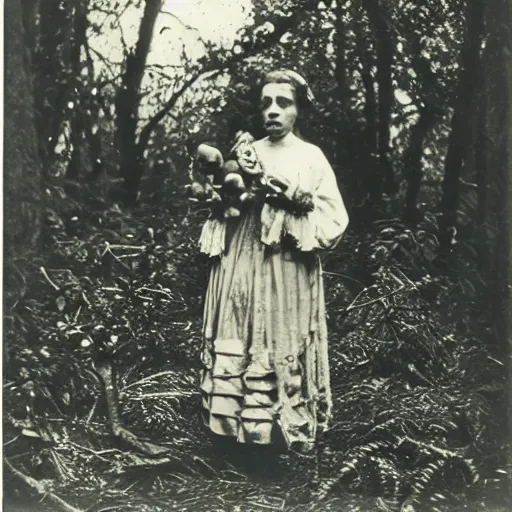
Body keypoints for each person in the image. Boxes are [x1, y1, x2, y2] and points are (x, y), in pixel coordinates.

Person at [198, 69, 349, 453]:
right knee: (241, 330)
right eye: (266, 103)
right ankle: (235, 433)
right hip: (244, 260)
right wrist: (220, 195)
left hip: (286, 264)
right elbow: (229, 205)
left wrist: (294, 200)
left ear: (298, 110)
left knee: (281, 334)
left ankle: (280, 434)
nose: (273, 111)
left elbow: (334, 219)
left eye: (283, 103)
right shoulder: (248, 152)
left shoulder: (310, 157)